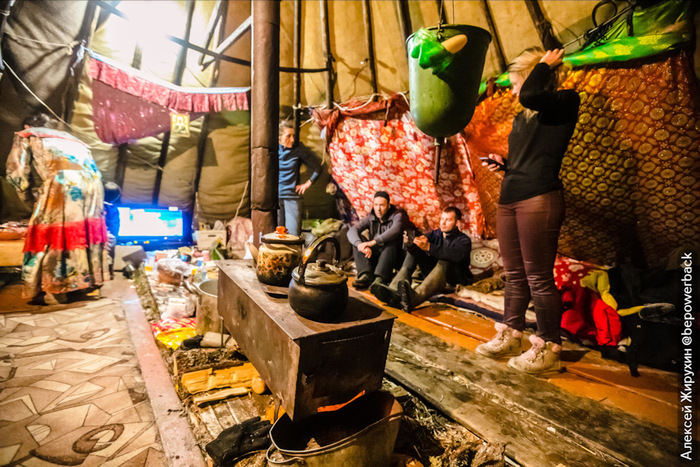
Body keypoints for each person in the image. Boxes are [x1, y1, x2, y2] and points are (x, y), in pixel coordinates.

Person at [475, 48, 580, 375]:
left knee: (538, 277)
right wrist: (506, 166)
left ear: (537, 76)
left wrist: (544, 65)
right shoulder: (522, 118)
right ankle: (511, 334)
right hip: (511, 196)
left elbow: (531, 94)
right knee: (514, 273)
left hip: (540, 198)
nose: (514, 91)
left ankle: (549, 348)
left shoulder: (565, 101)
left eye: (516, 83)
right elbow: (530, 157)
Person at [5, 113, 110, 302]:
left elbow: (16, 173)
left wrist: (28, 200)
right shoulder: (74, 140)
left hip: (64, 184)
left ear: (28, 126)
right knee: (80, 233)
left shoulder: (28, 135)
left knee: (49, 232)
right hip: (93, 185)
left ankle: (52, 285)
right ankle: (83, 282)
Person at [370, 206, 473, 312]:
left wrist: (429, 247)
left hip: (455, 279)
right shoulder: (435, 234)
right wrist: (411, 244)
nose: (443, 223)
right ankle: (393, 290)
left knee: (445, 259)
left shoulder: (464, 240)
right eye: (442, 219)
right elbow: (421, 245)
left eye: (448, 220)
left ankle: (416, 297)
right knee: (415, 252)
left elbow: (455, 255)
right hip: (434, 276)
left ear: (457, 223)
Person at [347, 191, 408, 289]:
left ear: (388, 206)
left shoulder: (398, 215)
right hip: (376, 256)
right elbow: (352, 231)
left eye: (382, 205)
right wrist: (360, 245)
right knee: (358, 241)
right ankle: (366, 275)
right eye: (376, 205)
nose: (378, 209)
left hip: (393, 257)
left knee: (391, 241)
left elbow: (395, 230)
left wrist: (373, 242)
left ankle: (380, 278)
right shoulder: (371, 217)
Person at [278, 121, 323, 236]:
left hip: (292, 197)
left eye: (293, 136)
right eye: (288, 136)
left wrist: (308, 182)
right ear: (279, 138)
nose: (292, 139)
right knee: (277, 236)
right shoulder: (274, 150)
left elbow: (317, 167)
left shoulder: (298, 149)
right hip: (276, 199)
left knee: (293, 236)